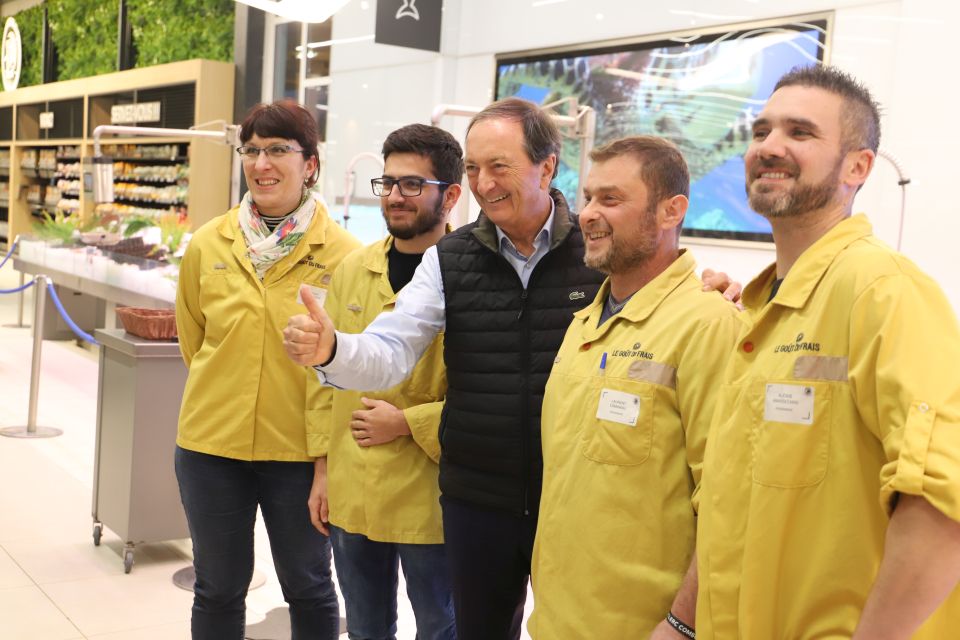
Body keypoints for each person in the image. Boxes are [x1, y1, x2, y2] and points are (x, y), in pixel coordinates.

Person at [284, 98, 739, 639]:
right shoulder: (449, 259)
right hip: (478, 497)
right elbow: (391, 350)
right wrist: (334, 351)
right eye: (473, 168)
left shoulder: (599, 249)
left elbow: (661, 287)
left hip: (577, 497)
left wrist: (716, 289)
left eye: (499, 166)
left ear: (547, 166)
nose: (483, 183)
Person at [695, 65, 960, 639]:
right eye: (761, 130)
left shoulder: (884, 291)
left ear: (857, 167)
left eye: (800, 133)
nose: (769, 146)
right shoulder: (764, 311)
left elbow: (944, 504)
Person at [527, 136, 741, 639]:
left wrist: (681, 623)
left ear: (672, 211)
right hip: (559, 618)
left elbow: (727, 503)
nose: (588, 215)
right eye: (588, 198)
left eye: (612, 200)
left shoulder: (708, 325)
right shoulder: (585, 324)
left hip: (645, 627)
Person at [174, 100, 359, 640]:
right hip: (211, 449)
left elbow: (345, 370)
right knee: (217, 587)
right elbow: (196, 342)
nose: (262, 164)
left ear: (311, 164)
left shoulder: (344, 255)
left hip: (299, 455)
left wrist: (326, 463)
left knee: (309, 586)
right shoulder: (209, 242)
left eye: (278, 149)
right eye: (251, 151)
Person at [309, 123, 461, 639]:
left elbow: (492, 393)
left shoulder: (471, 278)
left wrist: (408, 423)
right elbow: (321, 383)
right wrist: (322, 471)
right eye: (388, 183)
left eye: (413, 184)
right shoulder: (355, 269)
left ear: (451, 195)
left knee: (441, 625)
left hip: (430, 498)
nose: (395, 196)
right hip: (354, 489)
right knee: (367, 627)